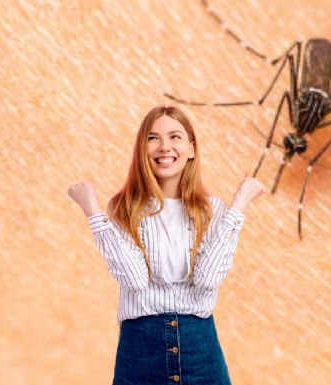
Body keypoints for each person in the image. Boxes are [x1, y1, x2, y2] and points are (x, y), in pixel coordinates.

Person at [67, 105, 267, 384]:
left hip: (200, 346)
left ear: (191, 148)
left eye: (175, 137)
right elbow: (135, 279)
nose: (164, 147)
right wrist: (93, 212)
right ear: (142, 149)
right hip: (139, 348)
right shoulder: (124, 208)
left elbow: (208, 279)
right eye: (153, 138)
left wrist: (239, 205)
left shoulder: (213, 210)